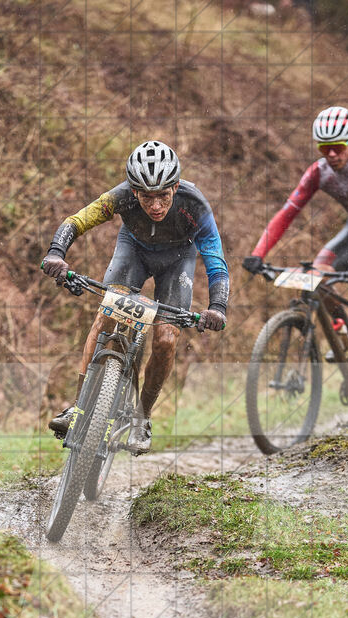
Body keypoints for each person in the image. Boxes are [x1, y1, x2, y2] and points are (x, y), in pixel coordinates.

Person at [41, 140, 229, 454]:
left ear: (176, 186)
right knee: (107, 313)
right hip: (133, 252)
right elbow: (77, 220)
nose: (155, 206)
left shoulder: (195, 205)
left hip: (177, 260)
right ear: (133, 191)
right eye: (146, 196)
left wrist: (218, 306)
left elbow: (216, 260)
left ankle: (143, 417)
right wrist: (56, 253)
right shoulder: (121, 196)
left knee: (166, 339)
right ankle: (79, 406)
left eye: (163, 196)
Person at [243, 106, 348, 364]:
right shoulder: (319, 172)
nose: (331, 154)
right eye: (324, 148)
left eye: (337, 147)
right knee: (316, 277)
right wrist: (257, 253)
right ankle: (345, 329)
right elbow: (287, 214)